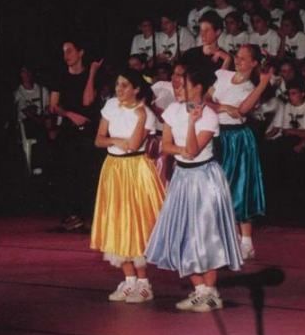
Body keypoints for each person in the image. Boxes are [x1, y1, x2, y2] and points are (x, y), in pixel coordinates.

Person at [145, 66, 243, 312]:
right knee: (184, 231)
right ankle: (199, 289)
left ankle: (211, 292)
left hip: (204, 179)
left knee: (206, 234)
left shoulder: (208, 116)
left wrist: (191, 124)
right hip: (182, 177)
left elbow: (193, 150)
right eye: (176, 84)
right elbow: (167, 146)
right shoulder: (171, 110)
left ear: (197, 87)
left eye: (183, 84)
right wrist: (181, 148)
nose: (177, 88)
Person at [90, 70, 164, 303]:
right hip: (114, 169)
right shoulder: (111, 105)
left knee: (136, 222)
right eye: (118, 85)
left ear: (136, 89)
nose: (119, 90)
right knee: (118, 220)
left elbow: (132, 145)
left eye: (124, 86)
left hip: (136, 170)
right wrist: (114, 140)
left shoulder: (146, 115)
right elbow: (99, 139)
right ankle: (129, 279)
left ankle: (143, 283)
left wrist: (141, 118)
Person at [209, 45, 271, 259]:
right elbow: (205, 100)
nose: (238, 60)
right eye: (237, 56)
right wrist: (226, 108)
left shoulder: (250, 87)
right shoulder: (224, 76)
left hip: (238, 139)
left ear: (254, 63)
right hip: (218, 135)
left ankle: (246, 242)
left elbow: (243, 110)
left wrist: (263, 83)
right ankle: (232, 237)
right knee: (221, 186)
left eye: (244, 59)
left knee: (240, 186)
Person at [48, 40, 103, 231]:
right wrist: (70, 114)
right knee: (68, 173)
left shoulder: (92, 74)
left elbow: (88, 101)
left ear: (80, 53)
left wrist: (92, 73)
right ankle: (72, 215)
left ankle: (90, 215)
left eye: (70, 51)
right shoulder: (60, 77)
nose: (66, 56)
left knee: (88, 173)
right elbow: (53, 105)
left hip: (89, 130)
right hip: (69, 130)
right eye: (64, 52)